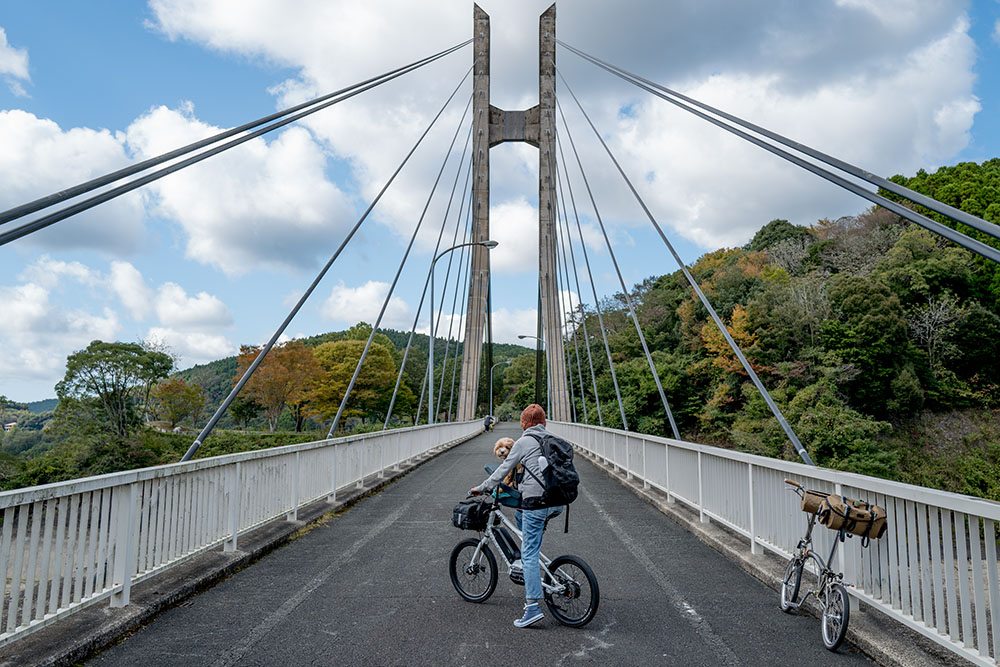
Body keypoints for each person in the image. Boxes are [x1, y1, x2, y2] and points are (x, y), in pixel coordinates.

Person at [470, 403, 558, 628]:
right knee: (522, 520)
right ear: (544, 422)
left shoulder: (523, 442)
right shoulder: (552, 440)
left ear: (523, 424)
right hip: (558, 502)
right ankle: (531, 557)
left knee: (529, 554)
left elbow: (503, 469)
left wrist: (482, 487)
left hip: (537, 503)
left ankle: (532, 608)